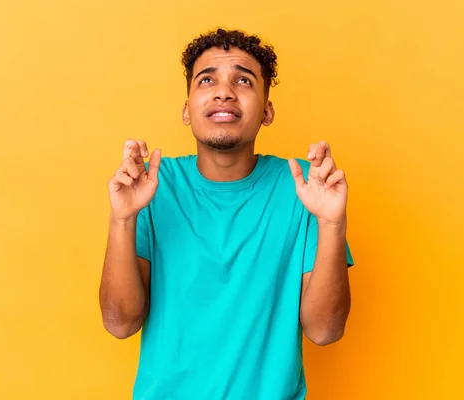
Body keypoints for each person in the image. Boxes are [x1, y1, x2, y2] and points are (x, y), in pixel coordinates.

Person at [99, 28, 355, 400]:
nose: (224, 91)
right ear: (187, 111)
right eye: (207, 79)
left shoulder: (305, 188)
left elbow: (325, 331)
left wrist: (332, 223)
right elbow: (119, 323)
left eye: (243, 80)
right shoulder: (152, 186)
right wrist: (122, 218)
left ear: (267, 111)